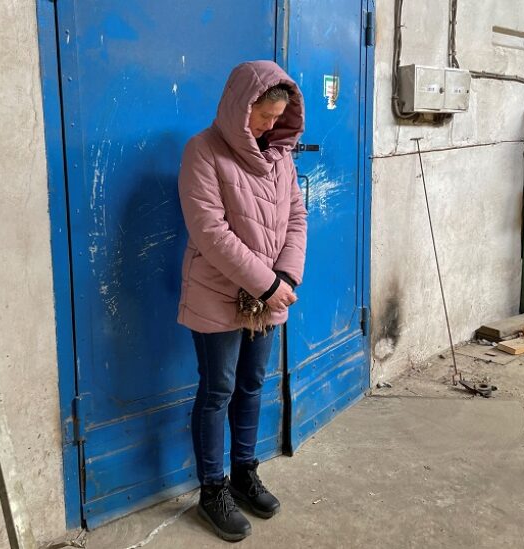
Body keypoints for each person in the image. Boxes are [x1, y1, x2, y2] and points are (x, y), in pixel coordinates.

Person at [177, 60, 308, 541]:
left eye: (277, 118)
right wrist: (268, 285)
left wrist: (287, 274)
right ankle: (212, 491)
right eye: (263, 117)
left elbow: (297, 216)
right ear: (240, 106)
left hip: (267, 295)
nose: (270, 127)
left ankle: (243, 473)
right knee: (218, 391)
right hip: (218, 295)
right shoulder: (203, 152)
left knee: (251, 385)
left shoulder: (280, 158)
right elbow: (210, 233)